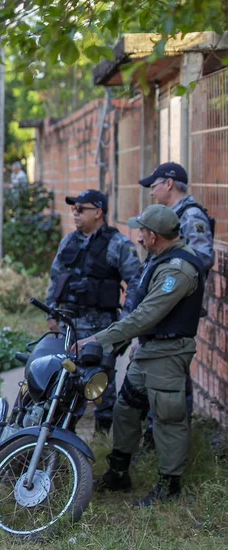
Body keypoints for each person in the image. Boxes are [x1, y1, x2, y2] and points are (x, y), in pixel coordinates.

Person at [80, 204, 205, 506]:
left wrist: (99, 339)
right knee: (126, 409)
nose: (138, 237)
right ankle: (119, 473)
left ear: (154, 236)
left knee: (168, 419)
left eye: (142, 232)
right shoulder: (161, 259)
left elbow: (146, 315)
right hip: (149, 351)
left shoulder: (178, 269)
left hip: (168, 354)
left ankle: (169, 486)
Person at [132, 162, 215, 446]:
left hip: (176, 306)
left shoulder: (191, 216)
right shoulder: (169, 215)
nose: (151, 192)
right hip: (162, 303)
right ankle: (157, 433)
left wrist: (170, 282)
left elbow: (201, 258)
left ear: (169, 183)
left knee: (172, 374)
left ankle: (170, 438)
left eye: (153, 186)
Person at [45, 189, 141, 434]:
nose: (75, 214)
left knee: (102, 385)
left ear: (98, 212)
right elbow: (56, 277)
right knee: (65, 384)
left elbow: (137, 283)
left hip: (101, 328)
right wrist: (51, 312)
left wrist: (126, 322)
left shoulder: (118, 244)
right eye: (73, 209)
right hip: (71, 326)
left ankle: (104, 438)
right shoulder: (69, 241)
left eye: (80, 209)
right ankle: (64, 439)